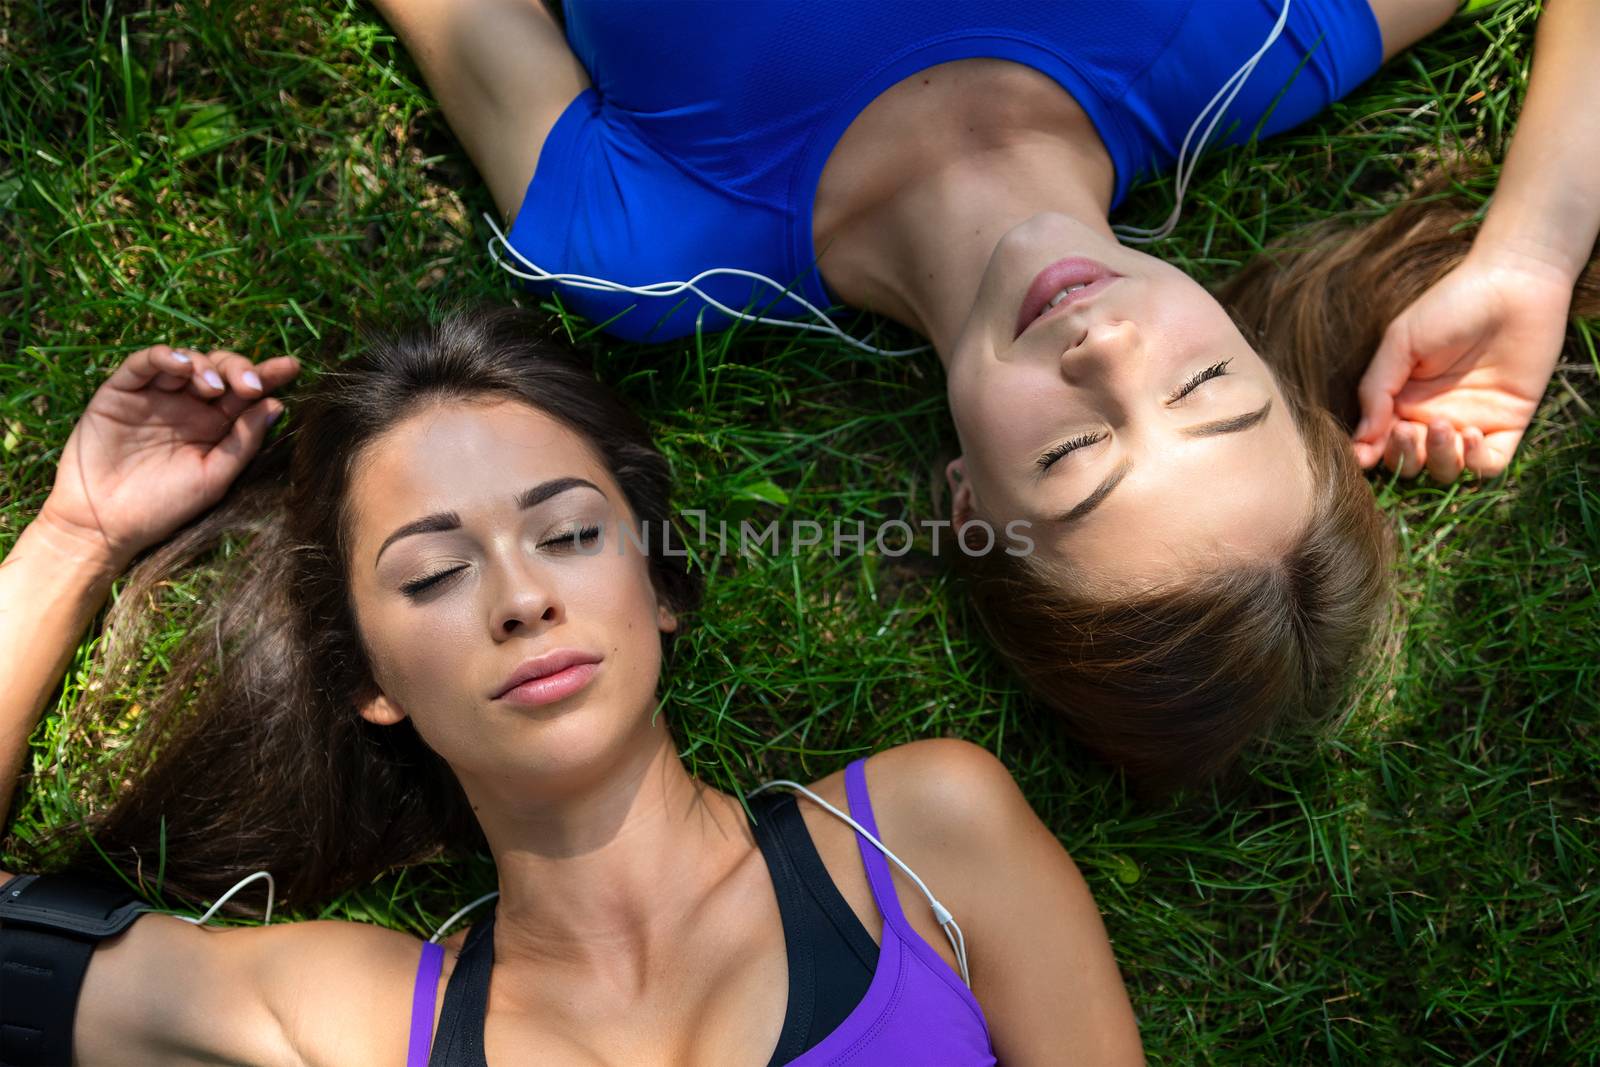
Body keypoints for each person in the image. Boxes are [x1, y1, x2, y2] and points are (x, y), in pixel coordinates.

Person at [372, 0, 1600, 787]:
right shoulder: (1243, 42)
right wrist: (1533, 252)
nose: (1107, 348)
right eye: (1209, 381)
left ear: (970, 507)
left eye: (1074, 457)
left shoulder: (657, 248)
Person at [0, 308, 1144, 1065]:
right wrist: (72, 540)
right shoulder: (360, 1018)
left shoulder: (916, 842)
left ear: (660, 587)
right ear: (370, 680)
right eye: (436, 571)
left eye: (569, 532)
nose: (520, 597)